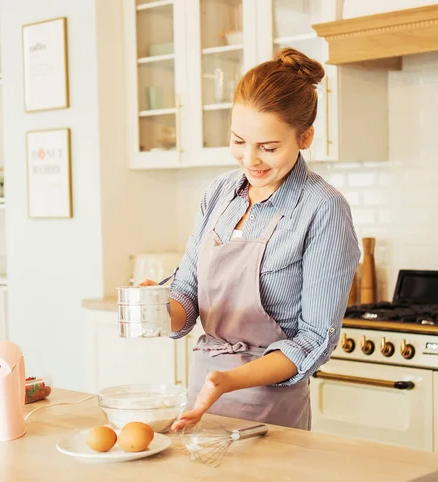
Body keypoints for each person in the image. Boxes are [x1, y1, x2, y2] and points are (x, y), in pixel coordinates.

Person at [141, 48, 360, 432]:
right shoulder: (220, 192)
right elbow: (188, 292)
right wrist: (155, 306)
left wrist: (229, 381)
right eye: (239, 141)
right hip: (200, 401)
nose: (251, 159)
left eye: (269, 147)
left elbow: (313, 339)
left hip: (270, 408)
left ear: (304, 137)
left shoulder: (322, 209)